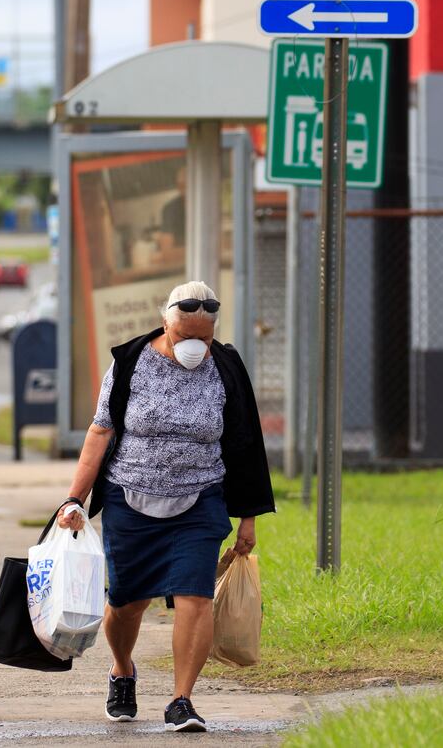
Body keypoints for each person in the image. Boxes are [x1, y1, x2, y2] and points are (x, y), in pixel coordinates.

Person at [58, 280, 274, 733]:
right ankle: (121, 671)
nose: (194, 345)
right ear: (165, 323)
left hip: (200, 498)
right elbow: (100, 432)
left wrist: (248, 518)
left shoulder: (227, 368)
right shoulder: (131, 363)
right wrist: (75, 498)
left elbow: (245, 444)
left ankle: (182, 700)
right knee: (126, 602)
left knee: (194, 599)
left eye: (204, 338)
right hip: (129, 498)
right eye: (184, 336)